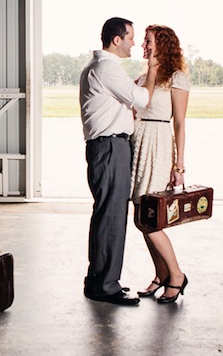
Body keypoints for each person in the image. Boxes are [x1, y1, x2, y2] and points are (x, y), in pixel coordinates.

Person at [79, 17, 158, 306]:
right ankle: (105, 286)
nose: (135, 43)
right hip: (110, 148)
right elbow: (141, 99)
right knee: (111, 217)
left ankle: (100, 280)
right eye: (131, 38)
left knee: (106, 216)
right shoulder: (106, 68)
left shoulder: (100, 68)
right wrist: (152, 69)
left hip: (107, 148)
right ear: (116, 40)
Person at [131, 24, 191, 304]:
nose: (144, 45)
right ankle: (160, 274)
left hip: (158, 145)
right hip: (138, 144)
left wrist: (178, 166)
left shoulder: (176, 78)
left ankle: (176, 275)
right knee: (141, 217)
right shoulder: (143, 76)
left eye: (149, 41)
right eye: (144, 40)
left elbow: (179, 123)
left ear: (163, 45)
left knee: (150, 219)